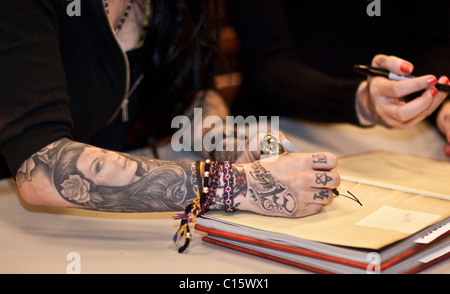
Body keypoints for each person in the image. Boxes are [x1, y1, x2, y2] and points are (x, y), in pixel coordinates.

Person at [0, 0, 339, 221]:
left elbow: (190, 99)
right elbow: (40, 167)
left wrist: (230, 143)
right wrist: (235, 184)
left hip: (93, 224)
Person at [224, 0, 450, 155]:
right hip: (277, 123)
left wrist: (440, 101)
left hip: (394, 123)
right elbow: (271, 63)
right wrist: (360, 100)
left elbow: (431, 42)